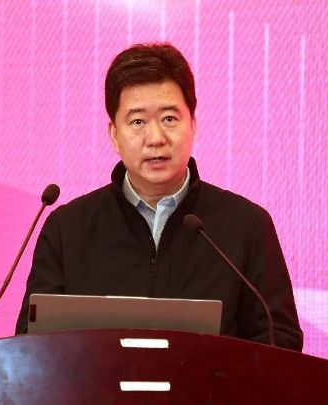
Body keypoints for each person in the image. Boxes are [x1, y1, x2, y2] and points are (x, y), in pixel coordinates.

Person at [15, 43, 303, 351]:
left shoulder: (247, 225)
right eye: (138, 121)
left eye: (169, 119)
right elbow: (30, 349)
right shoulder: (67, 229)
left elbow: (280, 344)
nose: (155, 138)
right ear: (114, 134)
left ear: (193, 124)